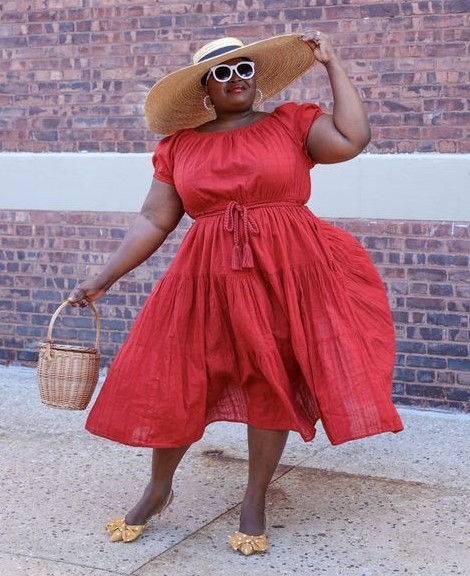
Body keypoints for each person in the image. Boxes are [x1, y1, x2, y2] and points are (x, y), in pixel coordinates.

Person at [68, 31, 403, 556]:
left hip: (287, 270)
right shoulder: (179, 145)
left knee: (271, 377)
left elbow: (351, 138)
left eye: (243, 68)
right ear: (205, 89)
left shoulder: (290, 124)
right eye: (221, 73)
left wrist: (333, 63)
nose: (235, 79)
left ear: (257, 77)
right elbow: (155, 219)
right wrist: (103, 277)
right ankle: (158, 489)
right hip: (208, 276)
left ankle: (255, 498)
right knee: (183, 375)